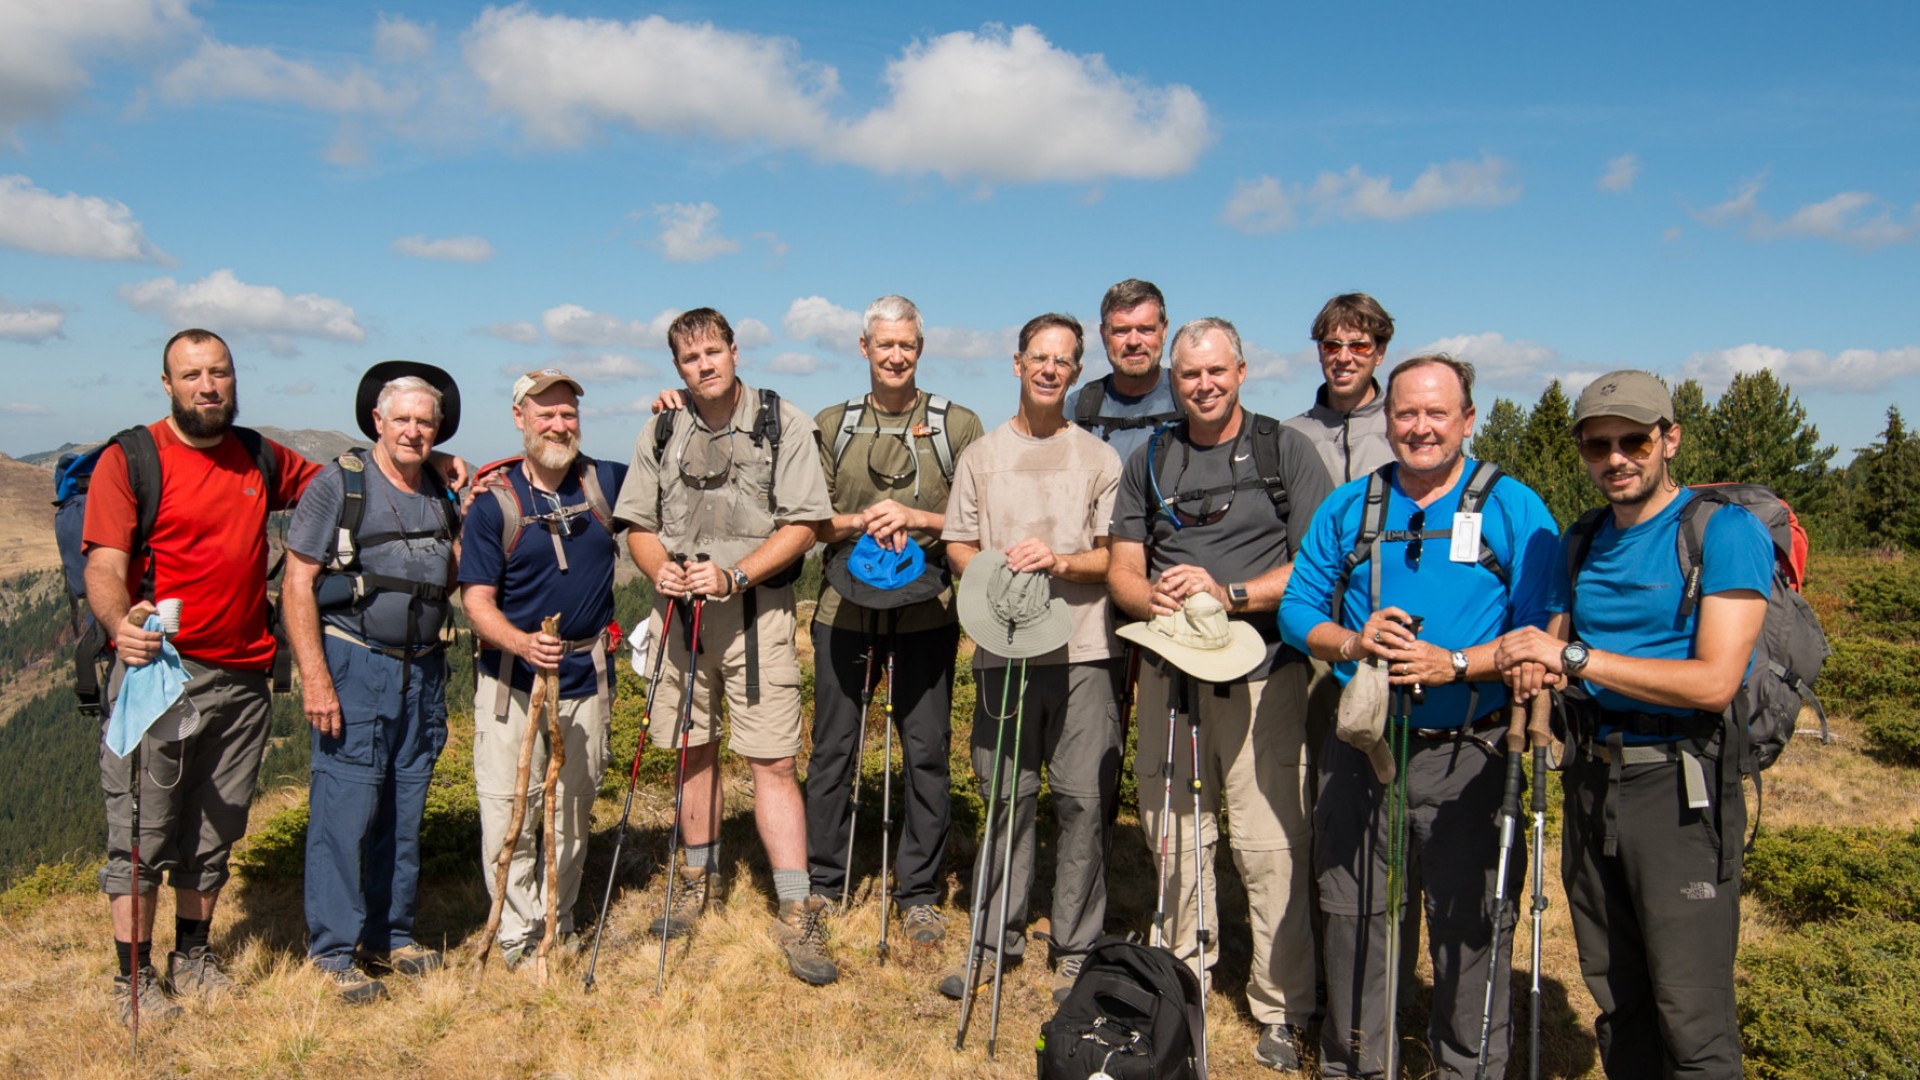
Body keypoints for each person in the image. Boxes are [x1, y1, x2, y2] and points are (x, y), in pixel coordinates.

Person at [1279, 356, 1560, 1079]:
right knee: (1355, 918)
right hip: (1364, 748)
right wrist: (1351, 640)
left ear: (1468, 419)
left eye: (1438, 413)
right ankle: (1357, 1066)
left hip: (1471, 748)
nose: (1421, 428)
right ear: (1388, 420)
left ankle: (1466, 1067)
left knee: (1469, 927)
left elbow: (1542, 630)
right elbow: (1296, 608)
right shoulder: (1351, 507)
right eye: (1406, 414)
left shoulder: (1513, 508)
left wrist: (1456, 664)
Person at [1494, 371, 1770, 1079]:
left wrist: (1576, 657)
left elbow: (1714, 681)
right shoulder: (1581, 537)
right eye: (1598, 445)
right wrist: (1538, 670)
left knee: (1691, 1011)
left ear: (1668, 439)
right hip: (1591, 779)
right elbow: (1552, 643)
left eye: (1634, 441)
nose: (1616, 458)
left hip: (1680, 787)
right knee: (1617, 996)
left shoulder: (1723, 532)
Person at [1106, 317, 1333, 1070]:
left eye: (1216, 371)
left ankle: (1281, 1005)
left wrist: (1226, 593)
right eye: (1189, 374)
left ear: (1241, 370)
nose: (1203, 385)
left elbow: (1315, 570)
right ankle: (1182, 982)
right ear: (1176, 379)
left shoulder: (1284, 451)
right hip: (1173, 669)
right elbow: (1123, 568)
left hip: (1265, 672)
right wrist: (1154, 604)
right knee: (1173, 835)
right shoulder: (1153, 457)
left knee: (1270, 844)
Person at [82, 328, 324, 1024]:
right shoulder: (132, 459)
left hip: (246, 676)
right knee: (143, 829)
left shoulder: (258, 456)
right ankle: (132, 979)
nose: (208, 386)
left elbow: (332, 485)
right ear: (167, 384)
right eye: (192, 375)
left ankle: (193, 954)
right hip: (159, 674)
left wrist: (443, 464)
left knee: (214, 828)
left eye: (219, 372)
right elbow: (104, 560)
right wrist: (118, 620)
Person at [611, 308, 837, 985]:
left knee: (770, 758)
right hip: (680, 617)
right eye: (690, 358)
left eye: (713, 351)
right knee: (692, 747)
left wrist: (736, 573)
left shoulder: (784, 422)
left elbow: (806, 525)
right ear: (677, 368)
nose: (704, 365)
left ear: (735, 351)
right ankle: (696, 880)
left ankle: (796, 910)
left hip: (759, 615)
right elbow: (640, 525)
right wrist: (660, 571)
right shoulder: (661, 427)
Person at [940, 312, 1123, 1003]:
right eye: (1039, 357)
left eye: (1064, 361)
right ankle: (994, 939)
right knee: (1004, 801)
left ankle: (1075, 946)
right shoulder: (982, 457)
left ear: (1076, 373)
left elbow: (1114, 559)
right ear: (1017, 363)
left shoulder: (1100, 459)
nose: (1050, 369)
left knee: (1081, 802)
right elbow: (958, 543)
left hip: (1084, 653)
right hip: (1004, 650)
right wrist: (991, 575)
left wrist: (1062, 561)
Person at [806, 295, 985, 945]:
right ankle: (823, 886)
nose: (895, 354)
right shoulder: (832, 424)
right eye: (883, 344)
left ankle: (919, 893)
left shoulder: (957, 425)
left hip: (927, 610)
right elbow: (812, 521)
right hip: (843, 608)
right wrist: (866, 519)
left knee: (927, 751)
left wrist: (917, 520)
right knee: (832, 749)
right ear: (863, 348)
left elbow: (976, 519)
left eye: (906, 343)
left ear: (920, 346)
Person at [283, 362, 462, 1003]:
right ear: (378, 422)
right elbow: (297, 582)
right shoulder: (339, 485)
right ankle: (333, 952)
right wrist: (315, 678)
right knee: (345, 808)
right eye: (403, 419)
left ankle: (390, 935)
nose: (414, 431)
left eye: (425, 421)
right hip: (353, 665)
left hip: (424, 670)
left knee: (404, 806)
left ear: (437, 429)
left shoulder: (442, 490)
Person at [459, 367, 626, 972]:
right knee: (511, 807)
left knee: (574, 809)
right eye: (545, 412)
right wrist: (522, 643)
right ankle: (517, 930)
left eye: (568, 413)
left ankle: (562, 915)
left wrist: (674, 404)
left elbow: (669, 482)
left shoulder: (605, 481)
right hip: (511, 681)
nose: (559, 424)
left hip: (588, 677)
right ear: (519, 418)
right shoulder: (495, 502)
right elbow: (476, 600)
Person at [1284, 292, 1396, 485]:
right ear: (1319, 351)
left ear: (1380, 353)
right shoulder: (1288, 437)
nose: (1343, 358)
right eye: (1332, 346)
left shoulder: (1402, 429)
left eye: (1358, 346)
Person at [1065, 278, 1181, 463]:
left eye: (1145, 329)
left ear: (1164, 330)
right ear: (1103, 336)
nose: (1134, 342)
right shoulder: (1078, 408)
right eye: (1122, 331)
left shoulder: (1189, 398)